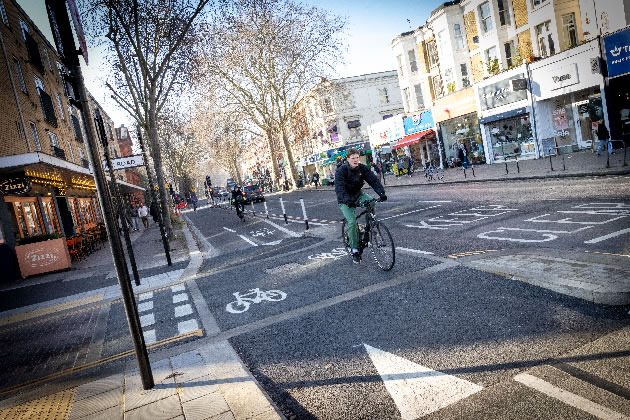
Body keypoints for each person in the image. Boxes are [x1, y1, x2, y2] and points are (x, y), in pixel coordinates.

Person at [335, 148, 387, 264]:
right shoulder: (341, 170)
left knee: (371, 202)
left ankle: (370, 226)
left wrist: (381, 193)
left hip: (358, 194)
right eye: (353, 158)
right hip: (345, 199)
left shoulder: (362, 168)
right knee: (352, 222)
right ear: (348, 159)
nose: (355, 160)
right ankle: (354, 250)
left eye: (357, 158)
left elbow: (373, 180)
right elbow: (339, 188)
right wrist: (347, 200)